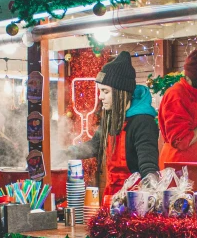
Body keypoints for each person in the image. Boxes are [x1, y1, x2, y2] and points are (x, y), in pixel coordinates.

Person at [67, 51, 159, 204]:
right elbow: (94, 146)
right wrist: (62, 154)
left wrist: (151, 188)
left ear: (120, 93)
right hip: (112, 196)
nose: (100, 97)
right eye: (100, 91)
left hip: (134, 200)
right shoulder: (110, 117)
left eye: (105, 91)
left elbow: (147, 164)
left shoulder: (143, 122)